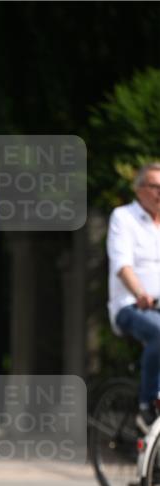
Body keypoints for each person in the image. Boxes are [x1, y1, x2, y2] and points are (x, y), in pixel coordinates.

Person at [106, 162, 160, 431]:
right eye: (155, 186)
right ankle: (146, 406)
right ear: (139, 190)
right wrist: (140, 293)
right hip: (131, 307)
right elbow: (121, 264)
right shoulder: (123, 218)